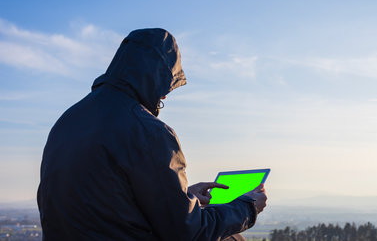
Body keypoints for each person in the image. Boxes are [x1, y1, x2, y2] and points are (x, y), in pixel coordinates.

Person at [37, 28, 267, 240]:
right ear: (156, 79)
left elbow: (108, 202)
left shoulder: (67, 121)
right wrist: (247, 208)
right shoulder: (147, 131)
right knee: (232, 238)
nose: (164, 97)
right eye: (166, 88)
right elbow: (189, 232)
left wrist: (186, 197)